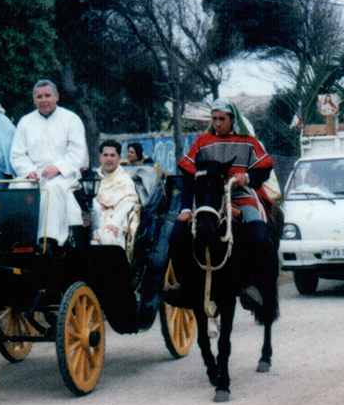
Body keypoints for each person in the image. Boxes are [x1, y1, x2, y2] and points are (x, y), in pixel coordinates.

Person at [166, 99, 275, 307]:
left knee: (259, 236)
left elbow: (264, 169)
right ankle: (184, 284)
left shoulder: (249, 142)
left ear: (232, 119)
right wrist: (187, 209)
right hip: (208, 201)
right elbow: (189, 177)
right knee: (177, 234)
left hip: (241, 196)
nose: (217, 123)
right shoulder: (202, 142)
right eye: (214, 119)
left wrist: (248, 177)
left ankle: (250, 285)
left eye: (221, 119)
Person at [10, 80, 89, 247]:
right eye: (39, 97)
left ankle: (49, 239)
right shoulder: (25, 122)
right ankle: (19, 239)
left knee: (52, 188)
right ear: (34, 100)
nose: (43, 100)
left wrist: (59, 168)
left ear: (57, 97)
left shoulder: (71, 119)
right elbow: (17, 154)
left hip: (64, 173)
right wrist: (28, 170)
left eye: (47, 95)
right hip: (35, 173)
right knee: (17, 188)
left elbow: (77, 152)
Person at [91, 139, 140, 256]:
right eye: (105, 155)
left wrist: (113, 223)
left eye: (113, 155)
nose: (109, 159)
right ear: (100, 157)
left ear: (119, 158)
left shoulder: (124, 179)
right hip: (95, 220)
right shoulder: (93, 179)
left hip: (116, 222)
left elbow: (128, 202)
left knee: (111, 240)